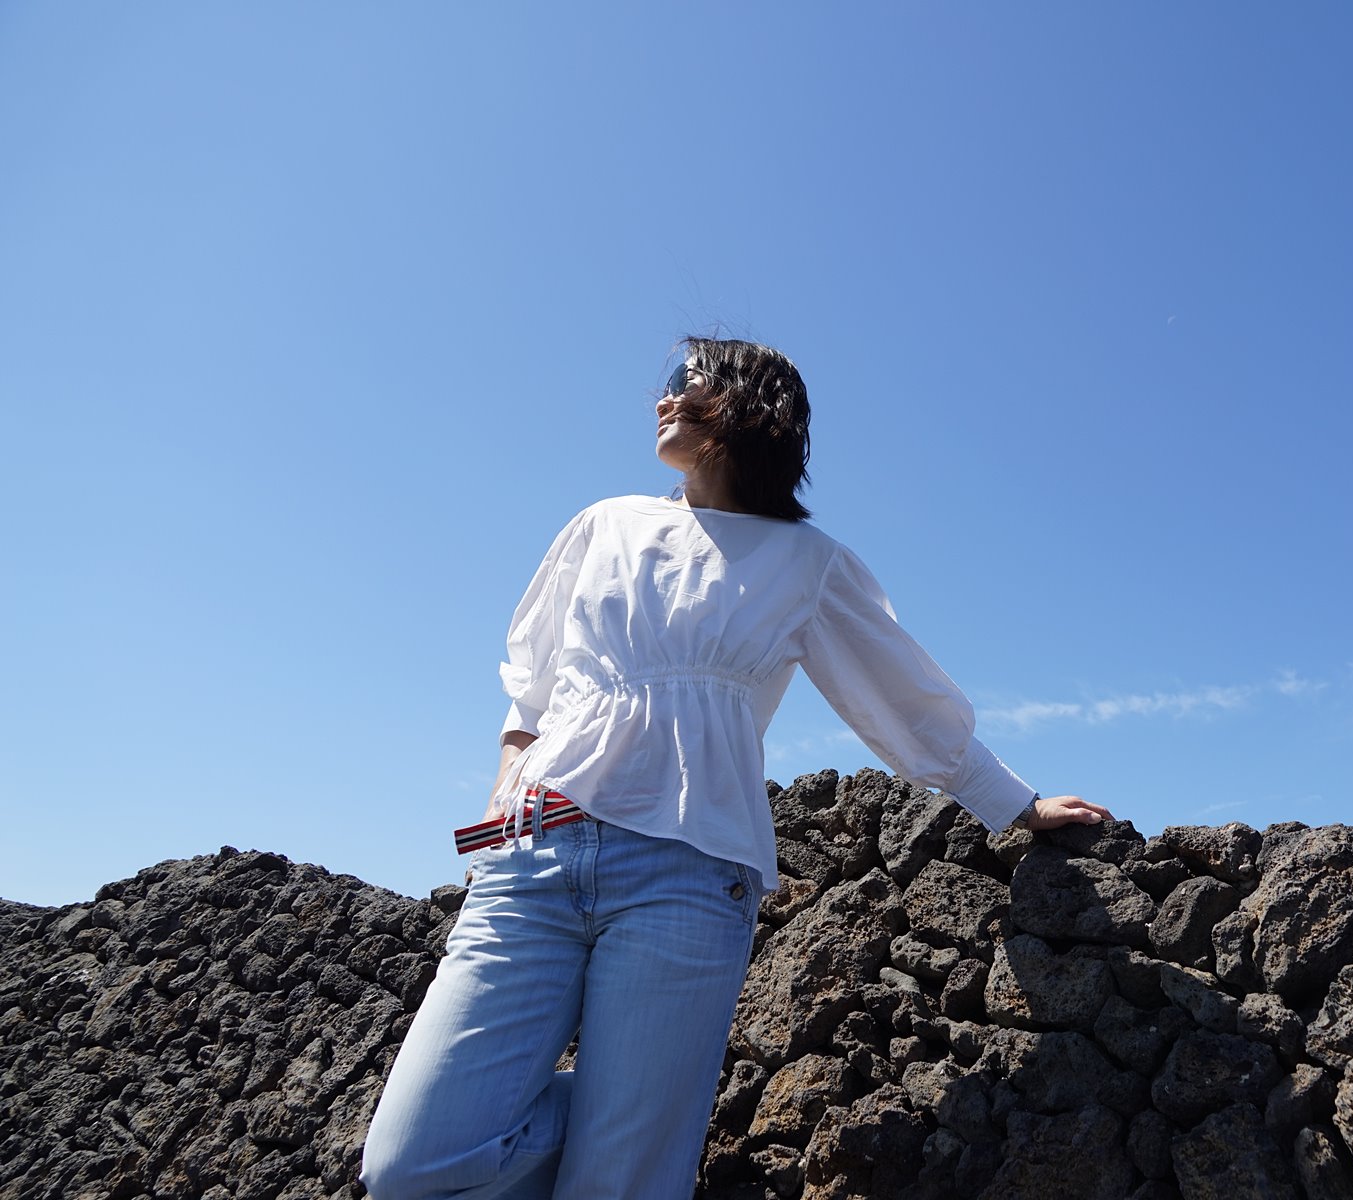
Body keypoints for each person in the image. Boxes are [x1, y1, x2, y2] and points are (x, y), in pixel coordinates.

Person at [359, 337, 1111, 1200]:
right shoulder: (603, 525)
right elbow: (531, 687)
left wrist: (1016, 804)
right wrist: (505, 793)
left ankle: (642, 1120)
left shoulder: (807, 563)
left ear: (748, 406)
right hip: (535, 860)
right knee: (409, 1165)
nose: (662, 399)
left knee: (620, 1185)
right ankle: (633, 1109)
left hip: (687, 873)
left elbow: (902, 701)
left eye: (685, 383)